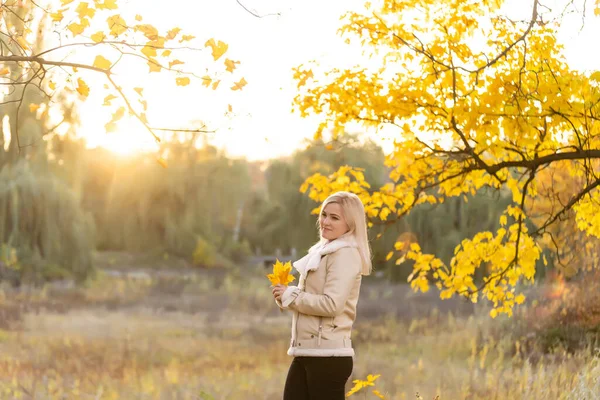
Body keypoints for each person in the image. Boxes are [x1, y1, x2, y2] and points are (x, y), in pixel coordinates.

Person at [272, 191, 372, 400]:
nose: (325, 221)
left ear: (350, 224)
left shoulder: (345, 254)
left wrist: (292, 295)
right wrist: (286, 296)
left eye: (334, 217)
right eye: (324, 214)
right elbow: (310, 299)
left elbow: (332, 305)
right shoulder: (322, 252)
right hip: (307, 352)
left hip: (328, 357)